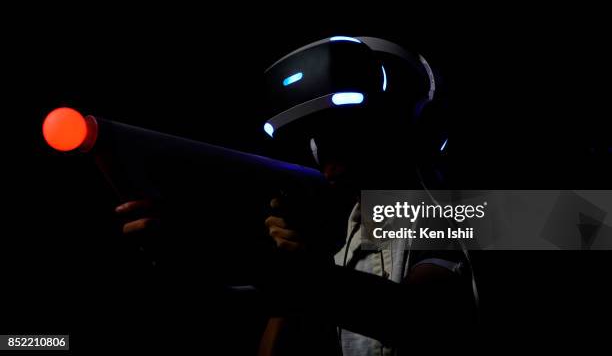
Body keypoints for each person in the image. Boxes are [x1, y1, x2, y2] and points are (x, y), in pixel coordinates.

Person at [117, 37, 478, 355]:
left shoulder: (495, 212)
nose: (328, 159)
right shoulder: (349, 240)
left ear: (409, 126)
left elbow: (423, 319)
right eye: (320, 141)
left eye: (346, 134)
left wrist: (262, 264)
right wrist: (291, 271)